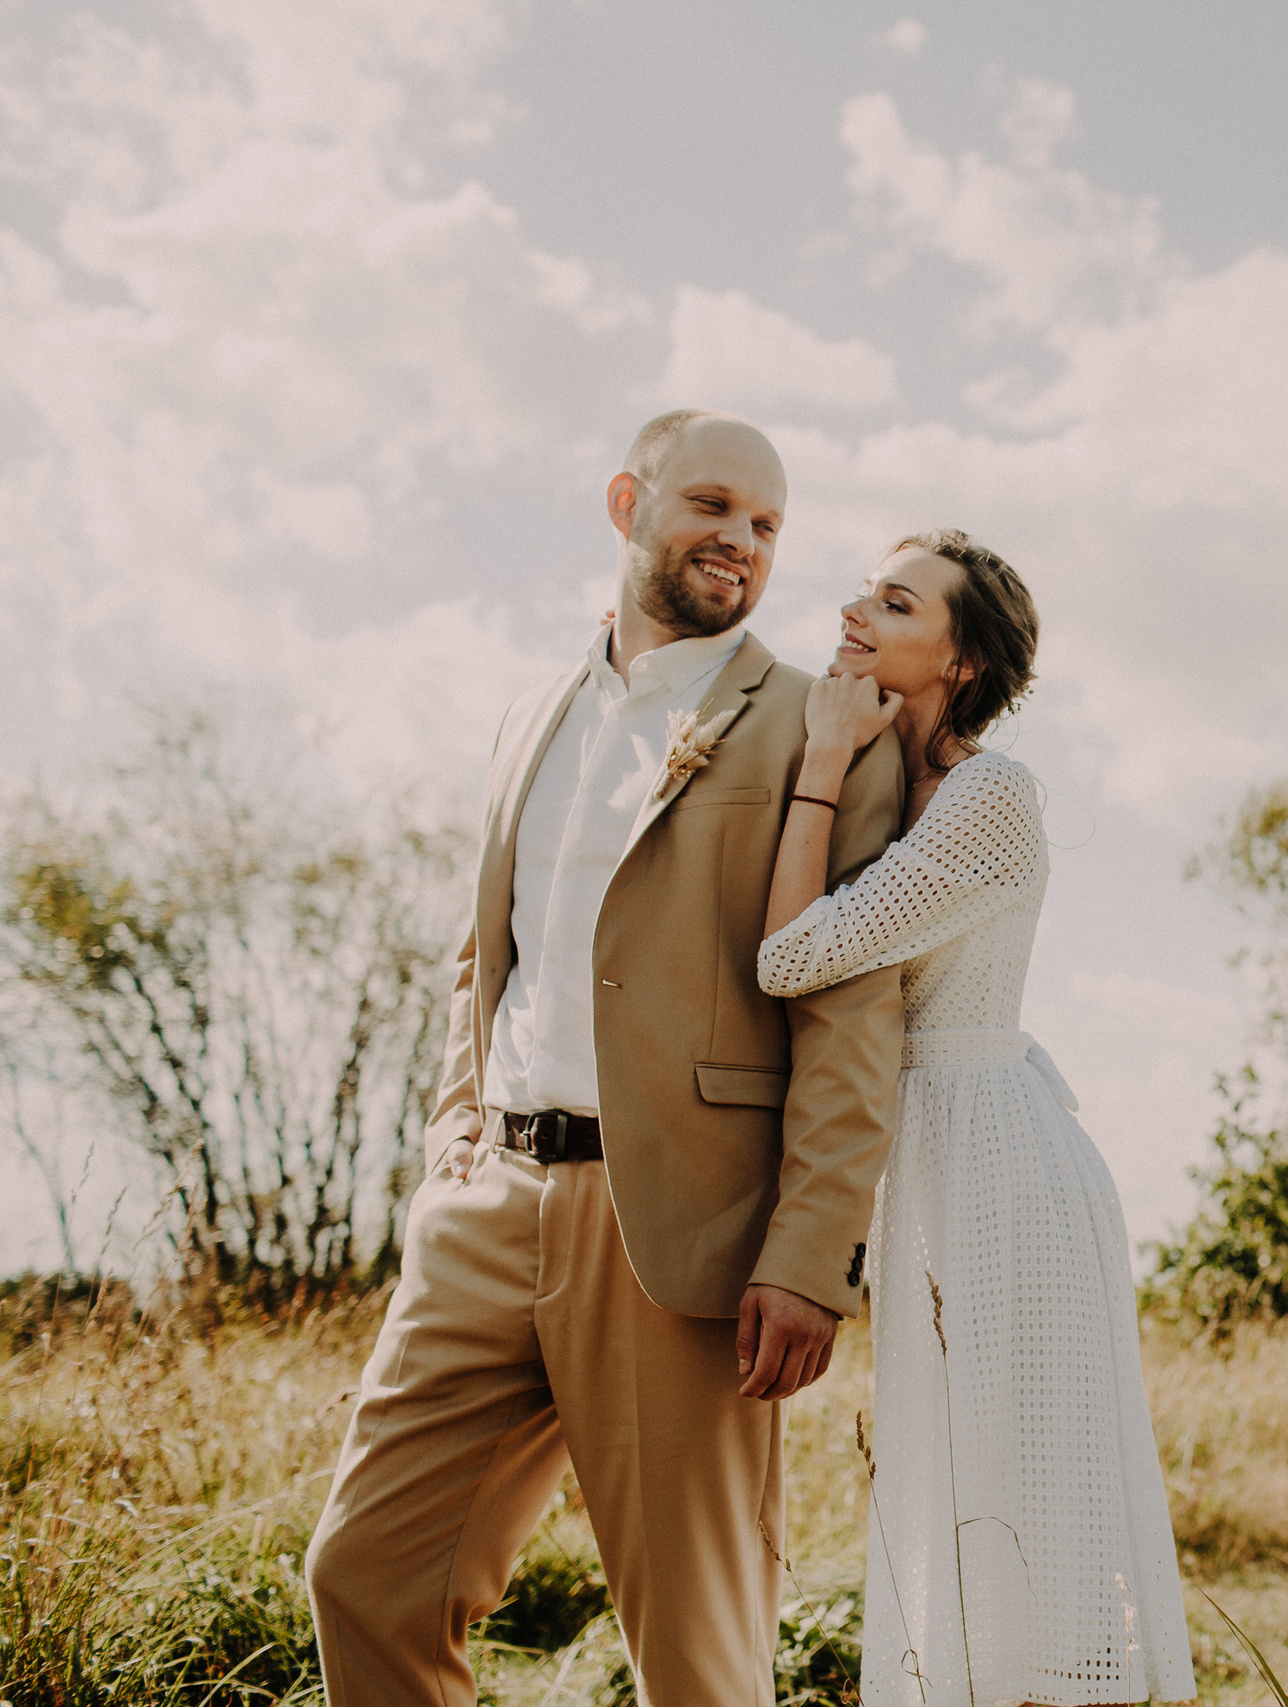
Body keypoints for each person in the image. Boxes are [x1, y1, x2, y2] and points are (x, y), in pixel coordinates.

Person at [305, 410, 906, 1705]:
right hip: (485, 1208)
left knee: (698, 1654)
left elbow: (852, 1013)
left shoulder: (822, 723)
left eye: (767, 524)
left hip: (682, 1234)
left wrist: (813, 1250)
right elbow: (490, 951)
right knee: (365, 1576)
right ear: (628, 502)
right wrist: (452, 1142)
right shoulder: (534, 714)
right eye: (712, 506)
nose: (740, 542)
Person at [759, 530, 1195, 1706]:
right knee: (949, 1486)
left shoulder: (990, 794)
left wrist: (816, 760)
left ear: (958, 661)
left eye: (895, 603)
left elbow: (794, 957)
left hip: (998, 1155)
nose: (858, 609)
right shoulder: (882, 786)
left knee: (1027, 1490)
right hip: (929, 1156)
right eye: (866, 590)